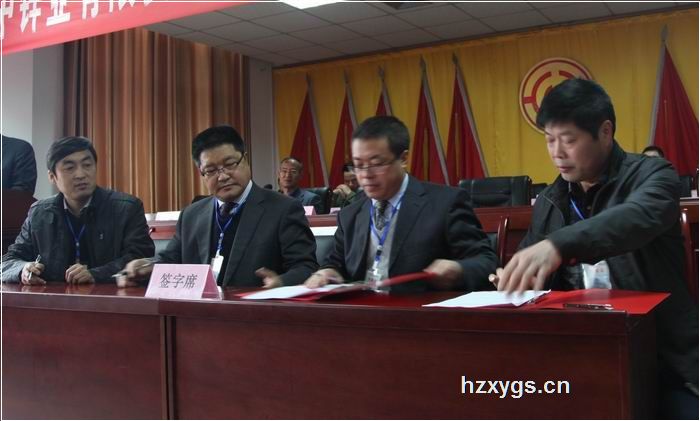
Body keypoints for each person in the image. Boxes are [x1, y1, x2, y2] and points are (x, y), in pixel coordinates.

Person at [492, 78, 697, 419]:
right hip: (579, 355)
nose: (556, 152)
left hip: (659, 356)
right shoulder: (550, 200)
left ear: (605, 132)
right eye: (549, 139)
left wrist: (558, 245)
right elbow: (533, 266)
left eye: (569, 140)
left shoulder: (653, 175)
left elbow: (634, 218)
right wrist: (514, 277)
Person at [305, 116, 497, 293]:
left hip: (419, 313)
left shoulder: (445, 203)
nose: (365, 174)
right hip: (362, 312)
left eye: (376, 164)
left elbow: (486, 262)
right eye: (358, 165)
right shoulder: (350, 214)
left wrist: (459, 269)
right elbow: (335, 263)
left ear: (403, 159)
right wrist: (327, 272)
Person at [121, 125, 317, 288]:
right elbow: (170, 261)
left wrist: (281, 282)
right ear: (201, 174)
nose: (222, 176)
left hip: (256, 313)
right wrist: (146, 268)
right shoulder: (191, 215)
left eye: (230, 164)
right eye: (211, 170)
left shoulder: (283, 209)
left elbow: (305, 267)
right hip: (198, 315)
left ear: (245, 160)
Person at [1, 136, 154, 284]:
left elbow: (141, 260)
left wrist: (96, 274)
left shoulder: (127, 208)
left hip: (111, 296)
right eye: (70, 168)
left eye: (87, 165)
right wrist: (23, 269)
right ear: (52, 176)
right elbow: (8, 261)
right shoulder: (39, 213)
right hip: (55, 298)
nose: (80, 174)